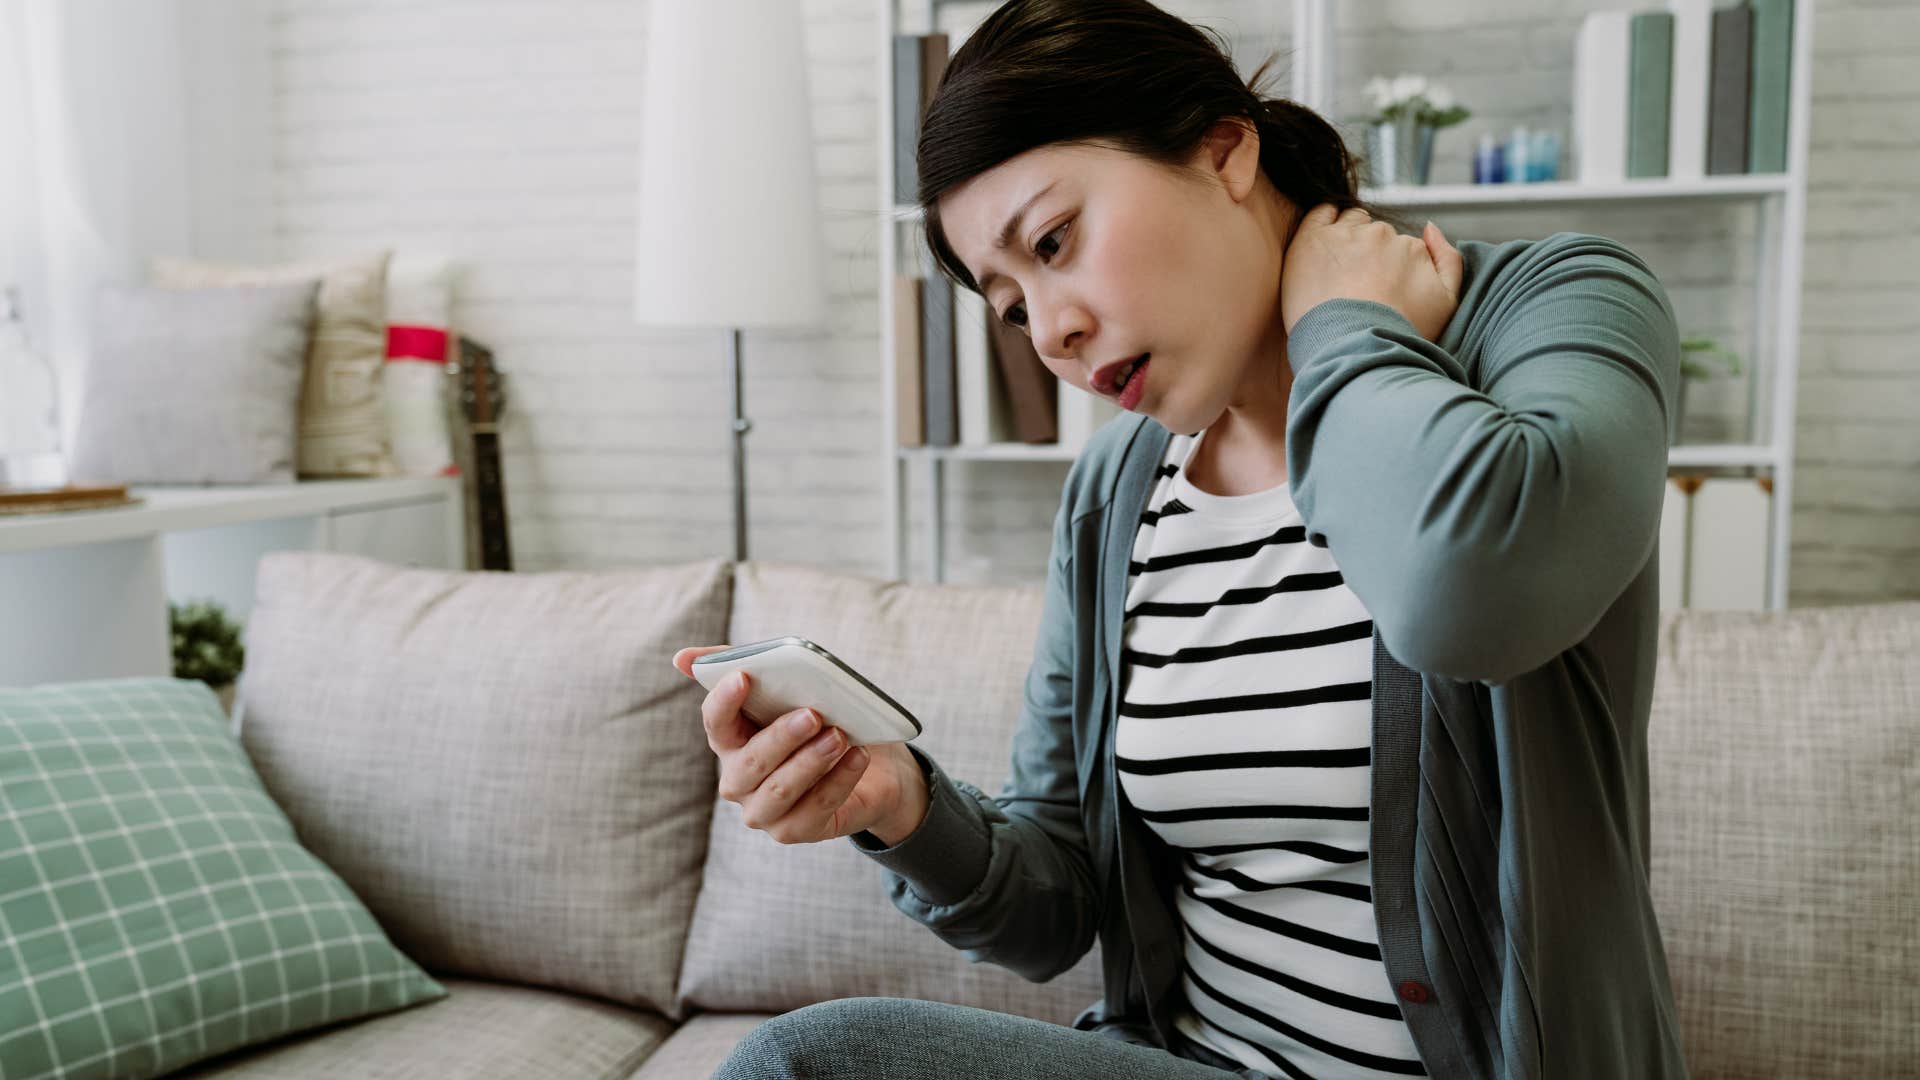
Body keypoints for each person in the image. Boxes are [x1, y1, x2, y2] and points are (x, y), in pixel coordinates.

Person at [672, 0, 1690, 1076]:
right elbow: (1056, 902)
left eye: (1056, 242)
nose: (1053, 333)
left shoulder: (1557, 305)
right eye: (1013, 308)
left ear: (1224, 147)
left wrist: (1346, 331)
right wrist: (902, 805)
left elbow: (1473, 595)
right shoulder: (1118, 489)